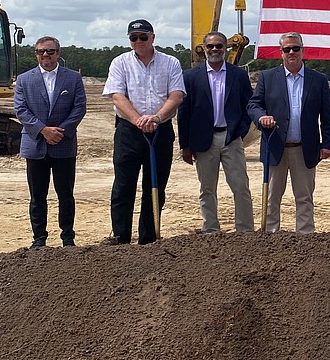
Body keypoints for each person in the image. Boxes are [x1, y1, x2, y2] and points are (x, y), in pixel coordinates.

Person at [103, 19, 185, 244]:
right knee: (123, 186)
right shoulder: (120, 62)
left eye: (143, 37)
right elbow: (117, 95)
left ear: (153, 37)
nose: (138, 41)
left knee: (155, 186)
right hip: (129, 131)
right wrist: (138, 120)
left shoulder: (170, 63)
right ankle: (120, 238)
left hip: (160, 130)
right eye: (133, 38)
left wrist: (157, 117)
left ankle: (149, 238)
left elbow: (176, 94)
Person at [248, 32, 330, 233]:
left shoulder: (318, 79)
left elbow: (326, 115)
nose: (291, 52)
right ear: (281, 53)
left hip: (305, 148)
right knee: (272, 197)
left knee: (304, 197)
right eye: (287, 49)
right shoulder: (267, 77)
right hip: (275, 145)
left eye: (295, 48)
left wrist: (328, 144)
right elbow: (253, 105)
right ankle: (270, 235)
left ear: (302, 50)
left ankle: (305, 237)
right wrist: (261, 117)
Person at [177, 30, 255, 234]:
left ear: (225, 48)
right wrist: (185, 145)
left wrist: (240, 131)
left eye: (219, 46)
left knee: (240, 187)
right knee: (207, 189)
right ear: (204, 49)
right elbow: (184, 113)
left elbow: (249, 106)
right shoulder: (191, 76)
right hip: (204, 141)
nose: (214, 50)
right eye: (210, 46)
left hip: (231, 139)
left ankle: (245, 231)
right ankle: (210, 229)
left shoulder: (238, 75)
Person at [13, 36, 87, 248]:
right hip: (36, 145)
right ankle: (39, 239)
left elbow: (79, 108)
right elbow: (21, 110)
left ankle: (68, 237)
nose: (45, 55)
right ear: (36, 54)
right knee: (37, 196)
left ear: (58, 53)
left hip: (63, 145)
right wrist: (43, 130)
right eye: (41, 52)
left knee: (65, 194)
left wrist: (60, 132)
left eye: (50, 51)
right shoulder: (24, 79)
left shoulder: (73, 79)